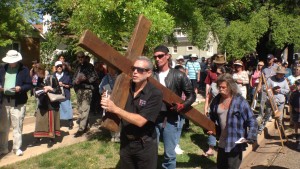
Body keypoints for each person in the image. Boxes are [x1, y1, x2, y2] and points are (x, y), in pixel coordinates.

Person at [101, 56, 163, 169]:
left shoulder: (155, 94)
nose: (135, 72)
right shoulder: (126, 87)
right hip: (126, 142)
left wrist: (115, 108)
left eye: (139, 70)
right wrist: (107, 101)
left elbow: (140, 121)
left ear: (149, 73)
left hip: (145, 145)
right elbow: (114, 103)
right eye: (133, 68)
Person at [153, 45, 196, 169]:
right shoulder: (151, 75)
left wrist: (183, 105)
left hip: (170, 118)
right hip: (153, 117)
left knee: (169, 153)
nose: (157, 59)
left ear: (168, 56)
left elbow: (191, 95)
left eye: (160, 56)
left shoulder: (178, 75)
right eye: (155, 56)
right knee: (150, 150)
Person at [207, 73, 258, 169]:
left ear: (230, 87)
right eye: (219, 87)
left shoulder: (240, 101)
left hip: (235, 143)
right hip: (222, 141)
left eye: (223, 87)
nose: (220, 89)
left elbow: (252, 120)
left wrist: (251, 136)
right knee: (221, 167)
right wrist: (209, 128)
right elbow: (211, 117)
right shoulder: (216, 100)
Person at [0, 50, 31, 156]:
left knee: (17, 126)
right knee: (3, 127)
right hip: (4, 101)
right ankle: (3, 148)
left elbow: (29, 85)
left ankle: (16, 148)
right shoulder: (3, 68)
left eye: (13, 61)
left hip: (18, 102)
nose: (11, 63)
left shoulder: (24, 70)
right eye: (10, 61)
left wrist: (20, 88)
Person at [30, 63, 62, 148]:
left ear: (42, 71)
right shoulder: (38, 78)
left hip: (51, 103)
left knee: (50, 121)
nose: (37, 75)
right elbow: (36, 88)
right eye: (36, 74)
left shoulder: (52, 77)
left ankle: (51, 139)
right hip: (42, 102)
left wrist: (50, 88)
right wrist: (36, 92)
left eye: (38, 73)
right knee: (39, 120)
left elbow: (59, 90)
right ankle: (38, 138)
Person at [73, 51, 99, 137]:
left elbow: (95, 77)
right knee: (80, 109)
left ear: (84, 57)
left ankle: (81, 129)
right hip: (79, 89)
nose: (80, 59)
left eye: (82, 57)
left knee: (85, 109)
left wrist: (85, 79)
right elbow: (74, 77)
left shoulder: (90, 66)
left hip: (87, 89)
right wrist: (75, 83)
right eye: (79, 57)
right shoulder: (78, 66)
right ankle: (86, 125)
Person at [258, 66, 290, 134]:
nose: (281, 75)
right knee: (267, 115)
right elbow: (264, 88)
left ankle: (281, 132)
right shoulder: (270, 79)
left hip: (280, 101)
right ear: (277, 73)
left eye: (282, 74)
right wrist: (271, 90)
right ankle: (261, 128)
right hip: (271, 100)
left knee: (280, 118)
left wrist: (280, 90)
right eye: (280, 74)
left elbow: (287, 90)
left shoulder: (284, 80)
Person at [203, 66, 226, 157]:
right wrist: (205, 108)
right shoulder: (213, 84)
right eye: (216, 73)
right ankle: (211, 148)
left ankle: (223, 147)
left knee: (223, 127)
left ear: (224, 74)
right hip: (213, 110)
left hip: (224, 110)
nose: (217, 75)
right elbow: (208, 97)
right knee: (211, 127)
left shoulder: (228, 84)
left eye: (219, 73)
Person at [99, 66, 120, 142]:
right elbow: (100, 88)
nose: (111, 70)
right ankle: (112, 134)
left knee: (118, 116)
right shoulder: (106, 78)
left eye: (112, 68)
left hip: (119, 100)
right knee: (110, 116)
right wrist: (103, 92)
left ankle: (118, 134)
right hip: (109, 99)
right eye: (110, 68)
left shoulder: (120, 76)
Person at [258, 54, 278, 121]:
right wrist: (259, 86)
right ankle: (260, 114)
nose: (268, 60)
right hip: (264, 85)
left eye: (270, 59)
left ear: (273, 59)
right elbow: (261, 77)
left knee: (271, 101)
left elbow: (279, 76)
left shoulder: (277, 66)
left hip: (272, 86)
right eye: (267, 59)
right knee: (262, 100)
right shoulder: (264, 68)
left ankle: (269, 115)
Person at [53, 61, 73, 130]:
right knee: (57, 109)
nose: (59, 67)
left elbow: (71, 85)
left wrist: (63, 85)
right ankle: (58, 123)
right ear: (55, 68)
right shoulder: (53, 76)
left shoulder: (67, 75)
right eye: (58, 66)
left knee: (67, 108)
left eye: (60, 66)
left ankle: (70, 122)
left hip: (65, 94)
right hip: (56, 95)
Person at [289, 79, 300, 149]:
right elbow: (290, 101)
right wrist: (294, 108)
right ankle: (297, 139)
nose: (297, 86)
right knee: (296, 124)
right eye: (297, 85)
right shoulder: (293, 93)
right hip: (295, 112)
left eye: (299, 85)